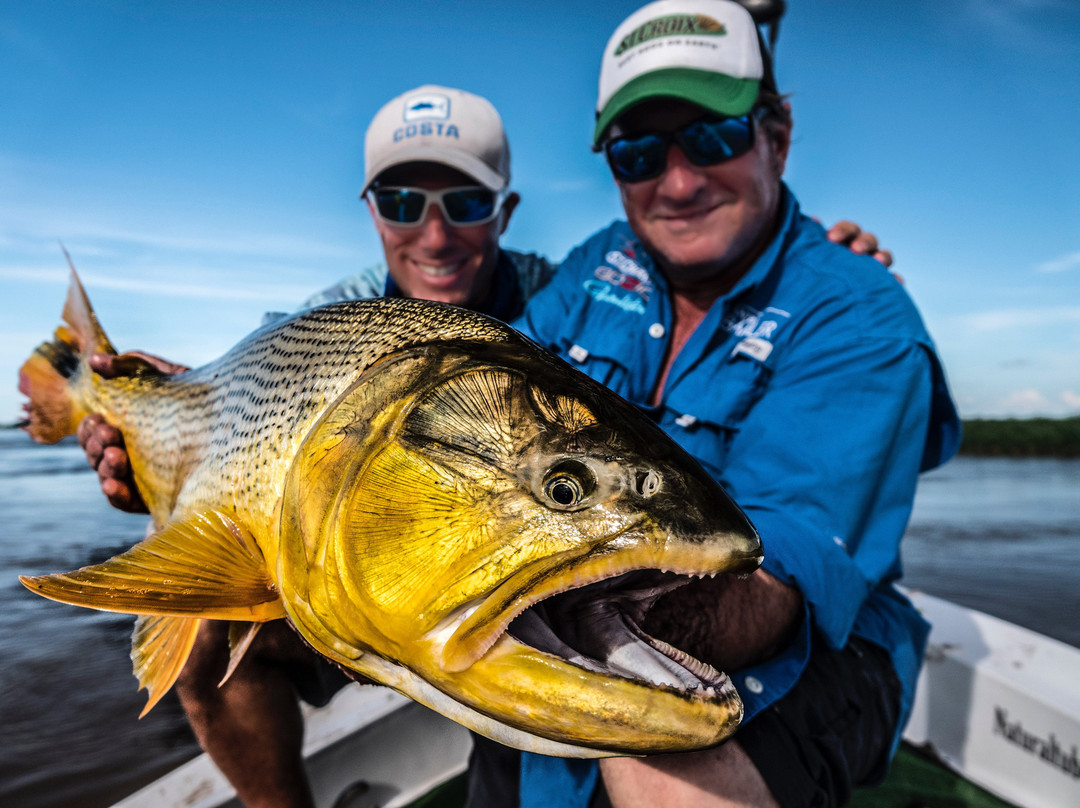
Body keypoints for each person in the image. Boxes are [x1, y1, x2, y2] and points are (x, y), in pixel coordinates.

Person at [77, 83, 900, 808]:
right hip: (368, 513)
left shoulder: (566, 287)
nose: (434, 237)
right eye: (403, 203)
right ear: (370, 209)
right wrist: (144, 455)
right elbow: (233, 396)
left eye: (464, 204)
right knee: (211, 637)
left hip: (537, 568)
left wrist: (813, 260)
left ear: (504, 213)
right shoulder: (338, 313)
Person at [496, 2, 960, 807]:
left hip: (808, 639)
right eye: (638, 152)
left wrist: (549, 591)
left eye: (714, 137)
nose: (677, 182)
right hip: (568, 608)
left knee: (661, 758)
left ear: (776, 135)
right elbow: (485, 408)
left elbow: (778, 571)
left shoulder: (859, 312)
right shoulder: (596, 266)